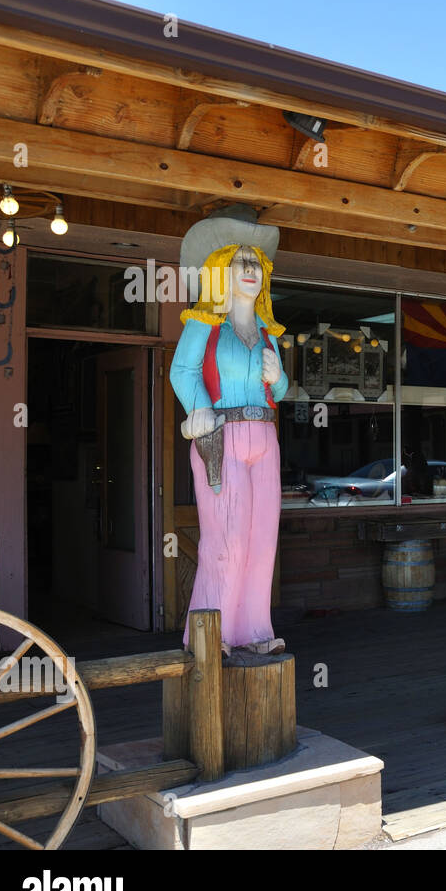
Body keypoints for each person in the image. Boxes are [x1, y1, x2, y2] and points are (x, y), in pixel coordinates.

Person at [169, 206, 289, 655]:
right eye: (243, 261)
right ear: (221, 268)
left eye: (257, 262)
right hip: (222, 434)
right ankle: (208, 632)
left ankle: (254, 629)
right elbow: (182, 371)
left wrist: (277, 376)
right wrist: (199, 409)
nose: (252, 270)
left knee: (262, 538)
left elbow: (281, 387)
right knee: (227, 537)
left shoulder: (268, 330)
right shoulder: (204, 321)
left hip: (265, 436)